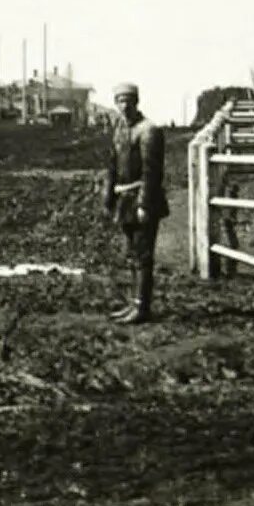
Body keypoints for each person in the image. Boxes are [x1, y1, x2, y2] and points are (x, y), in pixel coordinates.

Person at [101, 83, 168, 325]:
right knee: (132, 254)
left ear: (137, 101)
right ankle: (134, 302)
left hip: (142, 200)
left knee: (143, 255)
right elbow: (112, 165)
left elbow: (152, 174)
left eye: (129, 100)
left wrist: (144, 206)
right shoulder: (119, 129)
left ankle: (142, 307)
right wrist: (108, 198)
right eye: (119, 100)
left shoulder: (149, 131)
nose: (124, 105)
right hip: (124, 201)